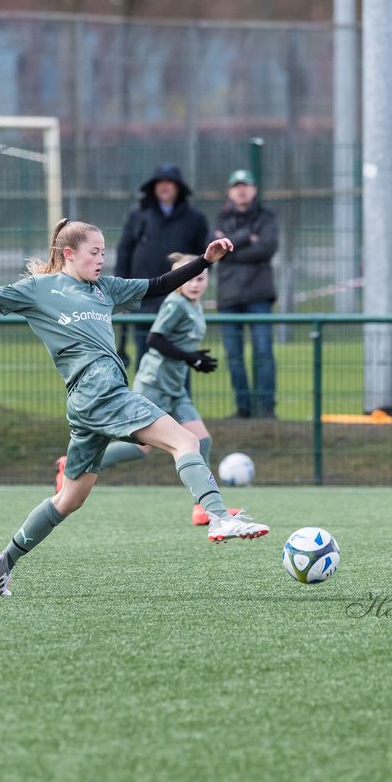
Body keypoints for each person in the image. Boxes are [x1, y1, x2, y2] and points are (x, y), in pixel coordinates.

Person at [0, 219, 270, 596]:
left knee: (69, 499)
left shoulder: (105, 288)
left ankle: (1, 564)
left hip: (89, 402)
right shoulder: (39, 290)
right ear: (68, 253)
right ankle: (219, 517)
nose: (101, 260)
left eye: (104, 253)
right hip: (98, 391)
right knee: (186, 442)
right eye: (94, 253)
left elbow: (159, 285)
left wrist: (205, 261)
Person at [93, 252, 232, 526]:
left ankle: (201, 508)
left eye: (201, 278)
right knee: (140, 449)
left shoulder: (196, 305)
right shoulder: (176, 303)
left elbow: (179, 343)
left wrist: (194, 356)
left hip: (175, 388)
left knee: (202, 440)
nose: (195, 283)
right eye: (190, 278)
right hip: (154, 385)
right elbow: (155, 340)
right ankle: (76, 464)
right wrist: (190, 357)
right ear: (179, 282)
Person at [115, 164, 209, 366]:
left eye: (170, 183)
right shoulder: (138, 216)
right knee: (145, 355)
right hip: (143, 297)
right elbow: (124, 253)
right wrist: (120, 293)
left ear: (178, 188)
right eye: (160, 182)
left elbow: (204, 258)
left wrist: (196, 286)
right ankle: (145, 398)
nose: (164, 187)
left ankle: (180, 397)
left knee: (181, 354)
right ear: (153, 187)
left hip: (178, 298)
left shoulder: (195, 219)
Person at [212, 169, 278, 418]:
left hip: (259, 295)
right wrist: (247, 238)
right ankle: (243, 408)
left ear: (254, 189)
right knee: (234, 355)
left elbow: (268, 247)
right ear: (229, 191)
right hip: (229, 297)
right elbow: (215, 250)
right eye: (236, 185)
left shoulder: (266, 217)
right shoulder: (221, 219)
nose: (241, 189)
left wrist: (231, 248)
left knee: (263, 351)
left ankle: (266, 408)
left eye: (246, 184)